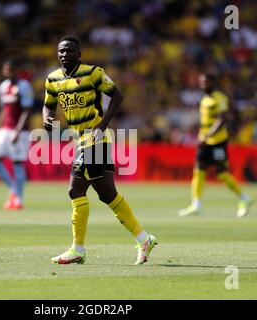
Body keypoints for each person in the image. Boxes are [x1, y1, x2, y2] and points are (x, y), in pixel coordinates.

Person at [42, 35, 157, 265]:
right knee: (107, 194)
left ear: (79, 54)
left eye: (70, 51)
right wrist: (48, 119)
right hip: (79, 141)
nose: (65, 55)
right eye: (61, 51)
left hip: (96, 139)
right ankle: (144, 238)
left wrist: (103, 124)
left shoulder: (93, 73)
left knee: (75, 190)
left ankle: (78, 249)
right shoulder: (52, 79)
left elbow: (117, 94)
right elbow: (48, 105)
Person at [178, 73, 252, 218]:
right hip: (204, 141)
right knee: (199, 171)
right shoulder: (205, 99)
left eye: (205, 82)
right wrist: (201, 135)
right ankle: (196, 204)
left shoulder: (220, 98)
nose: (202, 85)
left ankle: (244, 198)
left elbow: (222, 120)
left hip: (218, 141)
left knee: (223, 173)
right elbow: (205, 121)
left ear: (212, 82)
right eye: (201, 82)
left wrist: (207, 135)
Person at [0, 60, 34, 210]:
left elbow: (27, 110)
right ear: (3, 71)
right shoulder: (3, 87)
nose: (9, 71)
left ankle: (18, 200)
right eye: (6, 69)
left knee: (17, 163)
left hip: (20, 130)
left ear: (16, 70)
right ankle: (14, 190)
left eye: (12, 69)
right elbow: (4, 109)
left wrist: (18, 131)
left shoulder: (24, 86)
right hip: (5, 128)